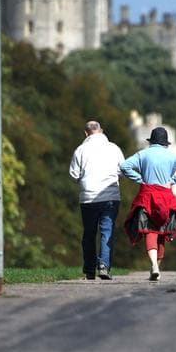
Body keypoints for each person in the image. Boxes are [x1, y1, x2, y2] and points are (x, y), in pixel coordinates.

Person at [119, 126, 176, 281]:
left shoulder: (143, 154)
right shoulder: (171, 156)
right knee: (161, 233)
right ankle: (156, 267)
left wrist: (140, 179)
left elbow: (124, 166)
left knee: (150, 231)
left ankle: (154, 265)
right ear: (165, 143)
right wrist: (173, 180)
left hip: (147, 196)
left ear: (151, 141)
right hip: (165, 197)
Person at [68, 120, 125, 280]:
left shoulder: (80, 150)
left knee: (89, 233)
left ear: (86, 133)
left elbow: (74, 174)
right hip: (110, 196)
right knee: (107, 231)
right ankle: (104, 266)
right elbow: (123, 170)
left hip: (88, 197)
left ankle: (89, 270)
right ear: (102, 131)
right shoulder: (114, 148)